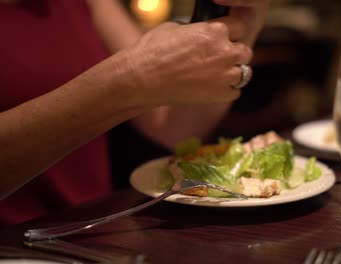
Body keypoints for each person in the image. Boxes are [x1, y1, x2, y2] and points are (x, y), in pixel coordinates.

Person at [0, 0, 270, 226]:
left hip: (87, 233)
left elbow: (171, 127)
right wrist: (130, 81)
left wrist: (244, 20)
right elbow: (140, 78)